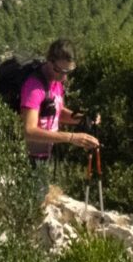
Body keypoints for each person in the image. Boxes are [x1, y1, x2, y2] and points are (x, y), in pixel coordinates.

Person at [19, 39, 99, 197]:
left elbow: (57, 112)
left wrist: (83, 118)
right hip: (29, 157)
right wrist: (70, 137)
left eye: (68, 72)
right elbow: (29, 130)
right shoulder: (34, 87)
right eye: (60, 70)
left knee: (39, 198)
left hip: (44, 153)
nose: (64, 77)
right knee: (32, 202)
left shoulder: (56, 81)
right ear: (49, 61)